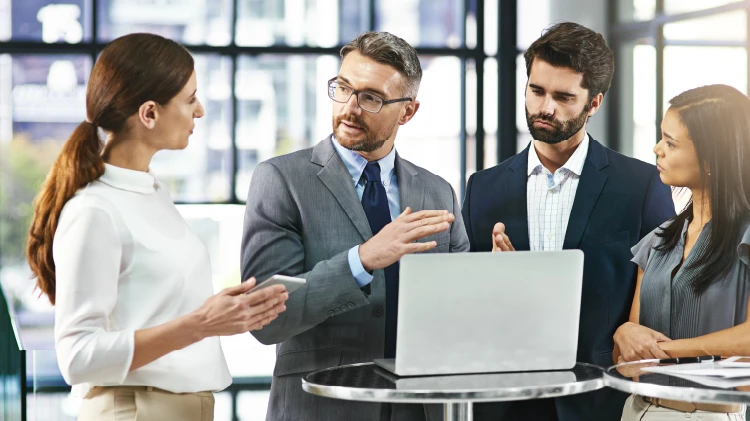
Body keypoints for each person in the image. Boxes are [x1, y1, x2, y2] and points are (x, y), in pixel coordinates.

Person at [25, 33, 288, 421]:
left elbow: (157, 309)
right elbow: (78, 357)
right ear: (149, 113)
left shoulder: (151, 191)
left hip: (184, 407)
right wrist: (200, 324)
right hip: (137, 410)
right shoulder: (95, 210)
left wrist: (223, 313)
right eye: (189, 99)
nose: (199, 111)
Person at [241, 31, 469, 421]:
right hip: (321, 407)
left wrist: (489, 281)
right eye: (343, 88)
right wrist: (361, 260)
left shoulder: (438, 192)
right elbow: (266, 319)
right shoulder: (281, 179)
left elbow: (460, 313)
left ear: (407, 111)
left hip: (420, 409)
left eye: (371, 98)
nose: (349, 108)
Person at [461, 22, 675, 421]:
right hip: (505, 400)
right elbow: (465, 311)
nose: (545, 108)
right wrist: (488, 277)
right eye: (537, 91)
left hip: (603, 399)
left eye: (563, 97)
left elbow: (663, 295)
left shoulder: (642, 186)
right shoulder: (482, 190)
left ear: (593, 103)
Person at [614, 84, 750, 420]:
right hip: (639, 410)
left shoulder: (745, 237)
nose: (657, 148)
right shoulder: (658, 241)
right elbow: (629, 358)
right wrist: (623, 333)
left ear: (710, 158)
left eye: (670, 142)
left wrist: (666, 351)